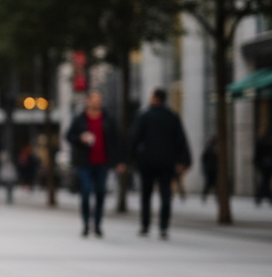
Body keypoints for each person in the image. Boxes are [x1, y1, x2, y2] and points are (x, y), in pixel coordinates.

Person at [129, 87, 191, 240]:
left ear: (155, 98)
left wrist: (132, 158)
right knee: (165, 194)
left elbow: (134, 138)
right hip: (167, 162)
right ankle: (163, 227)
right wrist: (184, 160)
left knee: (146, 195)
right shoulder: (172, 116)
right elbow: (181, 140)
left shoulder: (144, 115)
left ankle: (145, 225)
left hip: (147, 162)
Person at [65, 90, 121, 238]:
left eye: (99, 99)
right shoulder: (80, 118)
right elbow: (69, 136)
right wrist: (80, 138)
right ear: (88, 101)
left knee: (101, 193)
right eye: (94, 99)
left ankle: (97, 224)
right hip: (85, 162)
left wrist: (118, 161)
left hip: (103, 162)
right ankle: (85, 223)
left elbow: (116, 140)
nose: (97, 102)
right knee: (85, 192)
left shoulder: (108, 118)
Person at [254, 128, 272, 206]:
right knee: (266, 181)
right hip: (268, 164)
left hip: (264, 165)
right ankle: (268, 198)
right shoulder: (270, 142)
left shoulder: (261, 142)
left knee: (265, 181)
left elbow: (257, 155)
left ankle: (261, 197)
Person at [200, 136, 218, 202]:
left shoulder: (215, 149)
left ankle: (216, 197)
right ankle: (204, 196)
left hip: (214, 170)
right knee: (208, 184)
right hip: (209, 169)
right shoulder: (208, 149)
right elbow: (203, 159)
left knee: (215, 184)